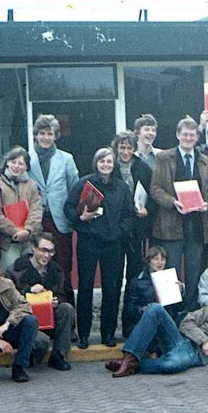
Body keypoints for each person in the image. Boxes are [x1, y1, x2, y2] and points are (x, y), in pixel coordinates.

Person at [106, 286, 208, 378]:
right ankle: (130, 357)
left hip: (196, 358)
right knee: (155, 309)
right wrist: (204, 340)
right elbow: (186, 322)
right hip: (187, 344)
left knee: (171, 364)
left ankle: (132, 365)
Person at [66, 147, 135, 347]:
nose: (105, 165)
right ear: (96, 163)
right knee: (85, 287)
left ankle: (108, 334)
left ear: (114, 164)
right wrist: (81, 217)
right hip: (88, 240)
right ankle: (84, 334)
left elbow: (129, 214)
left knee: (111, 288)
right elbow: (68, 208)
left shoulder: (122, 187)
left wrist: (120, 231)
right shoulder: (83, 183)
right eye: (102, 161)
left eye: (109, 161)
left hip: (113, 243)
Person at [150, 116, 208, 313]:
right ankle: (170, 315)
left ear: (197, 137)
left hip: (197, 226)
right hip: (171, 225)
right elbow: (155, 188)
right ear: (178, 135)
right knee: (171, 274)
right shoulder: (164, 158)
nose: (188, 138)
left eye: (192, 135)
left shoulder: (204, 160)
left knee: (194, 273)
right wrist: (172, 202)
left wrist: (207, 202)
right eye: (185, 134)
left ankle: (189, 314)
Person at [28, 114, 80, 307]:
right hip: (36, 221)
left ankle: (68, 316)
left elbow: (74, 189)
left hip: (60, 222)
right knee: (37, 269)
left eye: (50, 134)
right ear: (36, 134)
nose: (46, 137)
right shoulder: (27, 158)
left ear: (56, 136)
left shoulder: (66, 159)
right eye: (42, 133)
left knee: (63, 270)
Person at [8, 232, 74, 371]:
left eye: (51, 251)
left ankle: (58, 355)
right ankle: (29, 352)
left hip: (48, 319)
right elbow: (7, 299)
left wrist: (56, 301)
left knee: (67, 308)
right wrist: (28, 291)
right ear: (33, 248)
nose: (47, 255)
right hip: (25, 319)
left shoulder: (56, 271)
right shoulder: (15, 269)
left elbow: (61, 295)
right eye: (43, 250)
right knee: (39, 342)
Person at [112, 131, 155, 336]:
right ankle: (109, 329)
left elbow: (152, 195)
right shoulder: (109, 166)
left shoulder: (142, 167)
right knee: (113, 280)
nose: (126, 151)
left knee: (133, 279)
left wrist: (148, 210)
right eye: (122, 147)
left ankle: (129, 326)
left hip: (137, 230)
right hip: (114, 230)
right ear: (116, 148)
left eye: (129, 147)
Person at [0, 146, 42, 273]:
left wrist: (27, 230)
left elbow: (36, 211)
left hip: (30, 240)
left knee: (31, 276)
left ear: (26, 167)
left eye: (21, 163)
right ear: (7, 162)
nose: (16, 166)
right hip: (7, 242)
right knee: (11, 276)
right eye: (13, 162)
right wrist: (14, 232)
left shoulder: (32, 185)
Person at [122, 245, 183, 337]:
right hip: (144, 323)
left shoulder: (171, 279)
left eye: (162, 259)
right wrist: (142, 310)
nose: (160, 262)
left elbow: (179, 309)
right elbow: (130, 311)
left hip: (166, 324)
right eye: (156, 259)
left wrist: (181, 292)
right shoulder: (137, 282)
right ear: (149, 261)